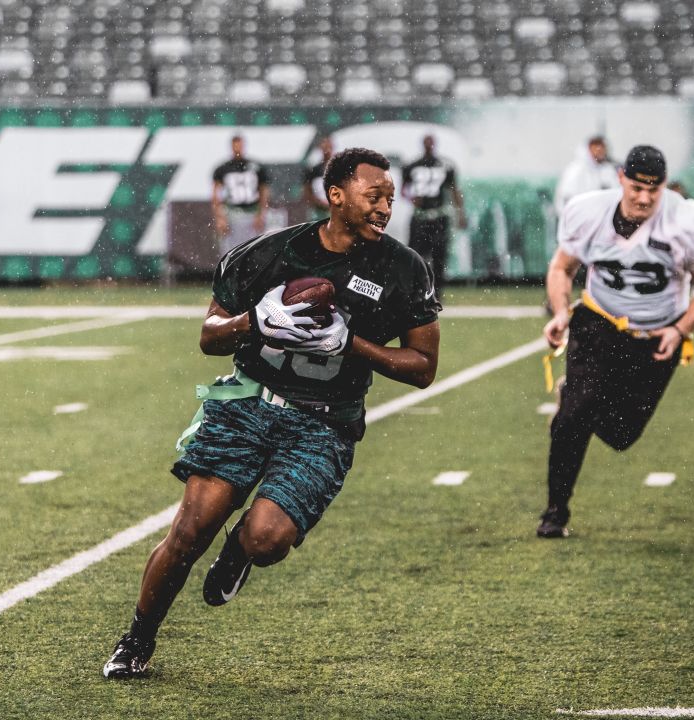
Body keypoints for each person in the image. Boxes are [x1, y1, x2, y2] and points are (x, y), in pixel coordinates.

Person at [104, 147, 442, 678]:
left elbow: (423, 366)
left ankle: (239, 551)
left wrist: (350, 344)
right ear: (336, 196)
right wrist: (254, 323)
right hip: (248, 403)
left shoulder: (403, 268)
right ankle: (137, 639)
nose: (384, 207)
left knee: (267, 539)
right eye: (373, 195)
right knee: (190, 531)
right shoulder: (270, 253)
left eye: (390, 198)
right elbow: (208, 337)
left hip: (325, 422)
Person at [537, 145, 694, 539]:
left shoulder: (685, 220)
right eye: (636, 187)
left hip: (657, 332)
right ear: (621, 177)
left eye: (652, 190)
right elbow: (562, 266)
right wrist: (559, 311)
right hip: (599, 321)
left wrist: (681, 329)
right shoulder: (588, 210)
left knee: (623, 434)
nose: (643, 197)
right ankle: (555, 512)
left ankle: (573, 399)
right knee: (575, 416)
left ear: (664, 188)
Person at [401, 134, 467, 301]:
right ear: (422, 144)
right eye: (426, 142)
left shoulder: (445, 165)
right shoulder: (412, 165)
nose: (429, 145)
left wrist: (461, 214)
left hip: (439, 216)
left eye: (431, 142)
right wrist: (411, 198)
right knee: (416, 257)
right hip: (420, 217)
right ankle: (416, 291)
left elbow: (454, 191)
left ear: (434, 144)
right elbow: (403, 190)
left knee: (439, 257)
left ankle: (437, 294)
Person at [212, 134, 271, 256]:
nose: (237, 148)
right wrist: (220, 217)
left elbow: (263, 191)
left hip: (252, 211)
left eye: (240, 145)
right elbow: (215, 194)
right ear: (231, 146)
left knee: (254, 251)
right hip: (232, 212)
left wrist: (261, 214)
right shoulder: (223, 168)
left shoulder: (256, 167)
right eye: (235, 145)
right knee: (230, 252)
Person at [554, 136, 619, 216]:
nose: (600, 150)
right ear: (588, 149)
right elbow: (566, 199)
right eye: (596, 147)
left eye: (602, 147)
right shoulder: (575, 171)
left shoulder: (608, 170)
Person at [301, 135, 334, 220]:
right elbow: (306, 192)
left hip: (335, 210)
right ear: (320, 148)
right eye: (324, 146)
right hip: (318, 211)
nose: (327, 149)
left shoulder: (339, 168)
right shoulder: (313, 170)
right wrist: (319, 202)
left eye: (328, 146)